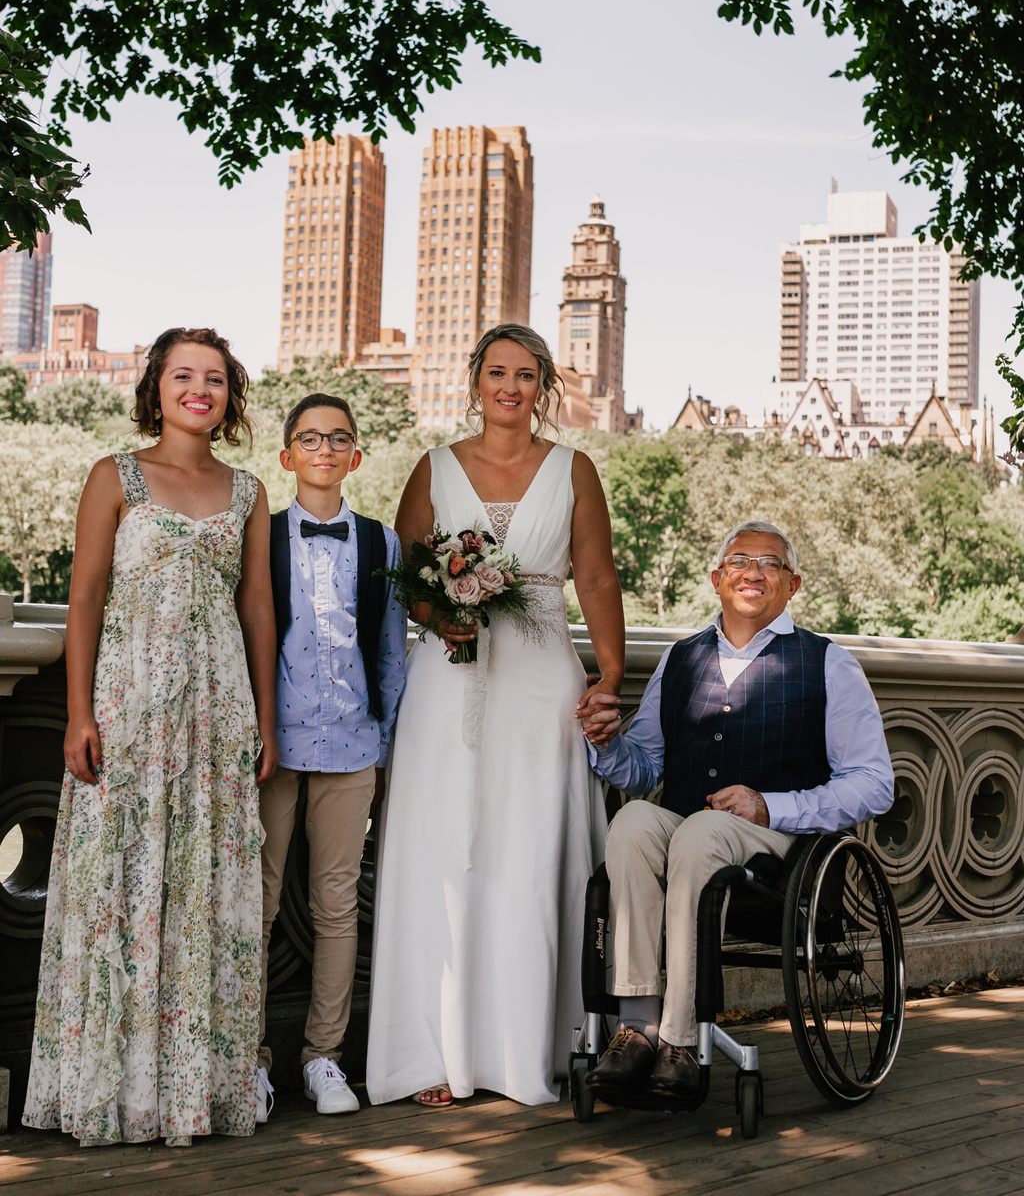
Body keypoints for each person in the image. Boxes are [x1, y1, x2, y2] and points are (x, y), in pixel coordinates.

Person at [23, 328, 278, 1147]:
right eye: (183, 375)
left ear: (230, 394)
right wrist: (79, 712)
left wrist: (265, 719)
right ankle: (109, 1089)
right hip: (129, 707)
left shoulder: (248, 491)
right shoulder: (116, 475)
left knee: (204, 887)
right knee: (117, 886)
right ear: (157, 387)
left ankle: (191, 1093)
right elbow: (86, 596)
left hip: (216, 714)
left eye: (213, 378)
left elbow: (259, 609)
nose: (197, 389)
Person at [366, 324, 624, 1108]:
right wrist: (436, 614)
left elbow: (596, 576)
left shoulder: (576, 469)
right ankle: (431, 1052)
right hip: (449, 682)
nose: (509, 387)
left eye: (525, 374)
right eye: (496, 372)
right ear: (474, 380)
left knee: (528, 854)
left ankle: (528, 1051)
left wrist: (610, 674)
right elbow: (406, 574)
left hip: (543, 682)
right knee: (441, 852)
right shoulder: (434, 467)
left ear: (543, 385)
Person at [580, 520, 894, 1099]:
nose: (753, 572)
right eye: (740, 560)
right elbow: (645, 766)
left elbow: (875, 784)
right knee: (630, 823)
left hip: (777, 847)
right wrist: (605, 745)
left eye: (770, 564)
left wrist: (769, 807)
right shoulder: (680, 660)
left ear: (793, 585)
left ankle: (679, 1040)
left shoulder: (828, 664)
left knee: (701, 835)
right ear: (717, 578)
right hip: (689, 829)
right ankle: (638, 1027)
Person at [256, 394, 405, 1121]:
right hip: (271, 747)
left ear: (355, 455)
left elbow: (390, 651)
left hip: (352, 745)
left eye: (338, 438)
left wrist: (388, 744)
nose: (324, 448)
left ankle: (323, 1057)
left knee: (336, 904)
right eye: (309, 439)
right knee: (252, 901)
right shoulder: (261, 536)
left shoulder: (383, 543)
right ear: (287, 456)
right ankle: (245, 1060)